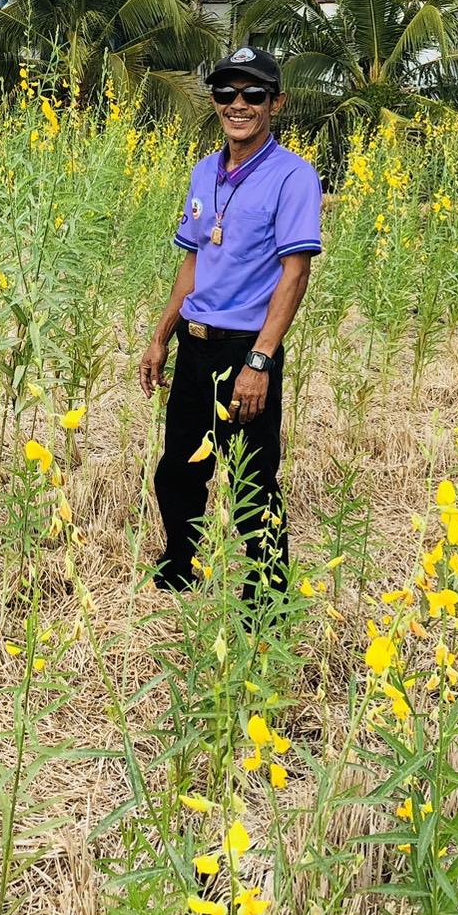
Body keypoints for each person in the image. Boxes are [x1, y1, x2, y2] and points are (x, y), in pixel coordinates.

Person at [139, 46, 322, 603]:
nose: (237, 104)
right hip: (195, 347)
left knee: (252, 479)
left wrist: (260, 361)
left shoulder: (293, 176)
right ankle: (179, 565)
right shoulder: (204, 172)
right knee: (177, 470)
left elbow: (295, 274)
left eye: (252, 94)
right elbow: (193, 260)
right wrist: (161, 335)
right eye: (225, 93)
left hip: (247, 351)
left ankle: (267, 597)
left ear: (276, 103)